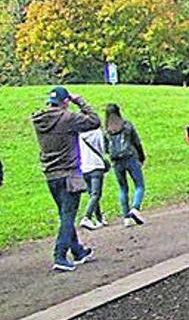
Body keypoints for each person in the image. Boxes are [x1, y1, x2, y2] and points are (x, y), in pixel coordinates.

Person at [32, 86, 100, 271]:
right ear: (65, 101)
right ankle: (60, 256)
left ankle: (77, 251)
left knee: (64, 214)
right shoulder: (68, 118)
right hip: (69, 174)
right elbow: (94, 121)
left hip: (50, 174)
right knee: (68, 216)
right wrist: (80, 102)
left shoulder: (39, 120)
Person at [104, 104, 147, 227]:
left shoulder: (107, 130)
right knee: (139, 185)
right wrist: (141, 156)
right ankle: (135, 208)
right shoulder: (127, 125)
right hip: (130, 157)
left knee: (123, 188)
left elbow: (106, 148)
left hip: (116, 161)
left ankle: (126, 217)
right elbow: (136, 142)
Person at [78, 128, 108, 230]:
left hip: (84, 167)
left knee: (92, 195)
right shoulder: (98, 132)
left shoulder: (80, 134)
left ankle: (99, 218)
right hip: (96, 165)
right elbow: (103, 148)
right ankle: (87, 217)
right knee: (96, 194)